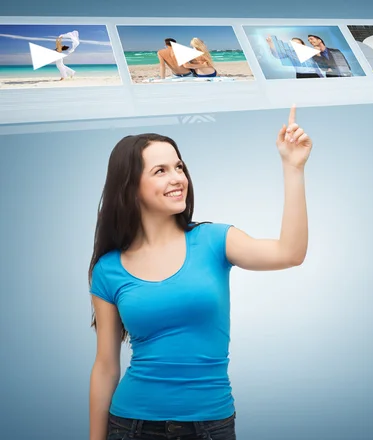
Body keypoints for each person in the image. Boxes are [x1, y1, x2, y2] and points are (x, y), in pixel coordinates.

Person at [88, 105, 311, 440]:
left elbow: (290, 253)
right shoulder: (108, 270)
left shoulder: (215, 240)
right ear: (131, 187)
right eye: (160, 171)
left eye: (179, 167)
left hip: (211, 425)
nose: (178, 178)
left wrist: (293, 168)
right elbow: (105, 365)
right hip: (132, 425)